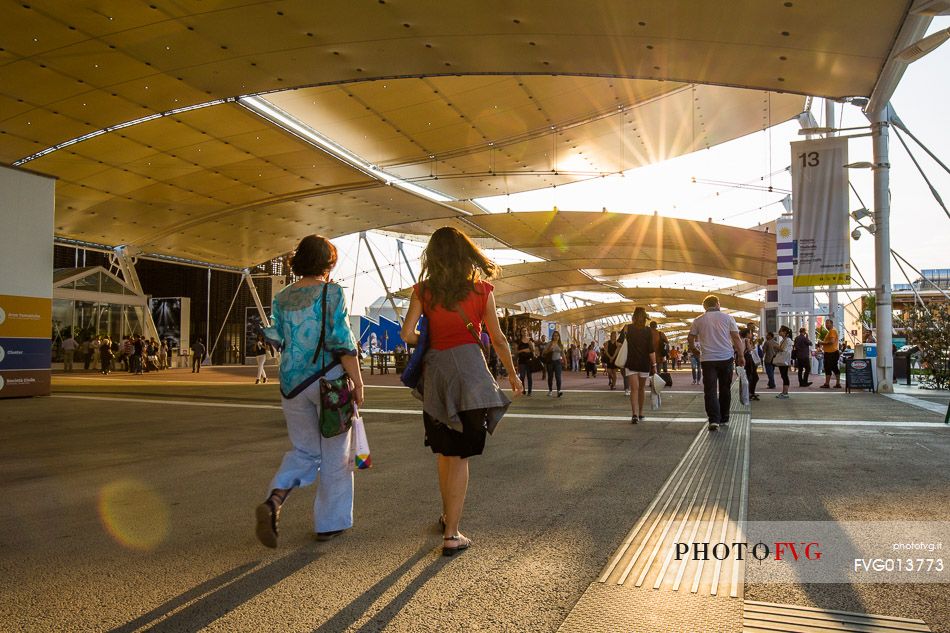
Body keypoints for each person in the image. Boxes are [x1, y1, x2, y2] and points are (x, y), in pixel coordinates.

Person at [399, 226, 522, 557]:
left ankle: (446, 519)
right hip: (471, 378)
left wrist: (428, 338)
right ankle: (452, 534)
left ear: (433, 256)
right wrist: (512, 375)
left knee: (445, 452)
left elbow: (407, 334)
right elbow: (497, 339)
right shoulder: (482, 290)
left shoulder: (423, 291)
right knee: (462, 456)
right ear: (466, 254)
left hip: (436, 378)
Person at [255, 234, 363, 548]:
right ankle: (329, 523)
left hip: (291, 385)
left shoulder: (283, 297)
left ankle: (275, 499)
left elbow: (276, 337)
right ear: (328, 263)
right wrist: (357, 382)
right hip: (328, 382)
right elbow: (341, 340)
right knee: (335, 455)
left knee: (304, 451)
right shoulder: (332, 293)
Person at [687, 295, 744, 431]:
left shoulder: (698, 320)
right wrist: (741, 355)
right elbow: (736, 338)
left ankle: (714, 420)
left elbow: (690, 338)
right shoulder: (728, 318)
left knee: (710, 390)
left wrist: (695, 350)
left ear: (705, 307)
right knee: (725, 388)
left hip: (708, 360)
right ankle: (724, 417)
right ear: (718, 304)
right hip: (726, 358)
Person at [621, 307, 656, 424]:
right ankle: (641, 413)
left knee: (634, 389)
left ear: (634, 317)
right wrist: (654, 364)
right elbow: (651, 350)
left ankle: (634, 414)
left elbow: (618, 343)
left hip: (631, 362)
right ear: (645, 317)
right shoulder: (647, 331)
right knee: (641, 389)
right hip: (644, 363)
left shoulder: (627, 328)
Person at [819, 318, 842, 389]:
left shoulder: (832, 331)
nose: (826, 325)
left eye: (828, 323)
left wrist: (822, 342)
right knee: (829, 368)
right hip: (830, 352)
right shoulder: (831, 331)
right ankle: (829, 383)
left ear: (832, 324)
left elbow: (832, 341)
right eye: (826, 324)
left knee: (832, 367)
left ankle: (834, 383)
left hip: (832, 353)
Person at [773, 325, 794, 399]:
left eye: (781, 330)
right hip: (783, 360)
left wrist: (776, 346)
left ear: (785, 332)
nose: (779, 332)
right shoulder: (783, 340)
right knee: (783, 375)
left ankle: (785, 393)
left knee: (784, 375)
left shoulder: (788, 340)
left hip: (784, 360)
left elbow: (783, 349)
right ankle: (784, 392)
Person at [544, 330, 565, 397]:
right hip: (550, 362)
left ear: (559, 337)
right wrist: (549, 349)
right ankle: (550, 391)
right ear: (552, 336)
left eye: (557, 335)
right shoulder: (549, 343)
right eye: (554, 335)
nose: (556, 337)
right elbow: (544, 352)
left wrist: (565, 361)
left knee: (558, 377)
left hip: (558, 362)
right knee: (550, 377)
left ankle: (559, 391)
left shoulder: (560, 344)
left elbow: (562, 353)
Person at [741, 326, 760, 401]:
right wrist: (752, 347)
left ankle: (749, 393)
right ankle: (749, 393)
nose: (751, 335)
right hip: (748, 360)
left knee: (750, 377)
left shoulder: (741, 340)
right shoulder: (746, 340)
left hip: (745, 359)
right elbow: (749, 349)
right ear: (747, 334)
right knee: (750, 377)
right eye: (751, 333)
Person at [516, 327, 536, 396]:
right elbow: (516, 352)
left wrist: (531, 345)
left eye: (525, 330)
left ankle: (529, 391)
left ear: (527, 331)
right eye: (522, 331)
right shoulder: (519, 341)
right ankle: (523, 390)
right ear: (521, 332)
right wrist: (523, 350)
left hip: (529, 360)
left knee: (529, 376)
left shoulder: (531, 339)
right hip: (521, 361)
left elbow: (533, 350)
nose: (524, 332)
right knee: (522, 376)